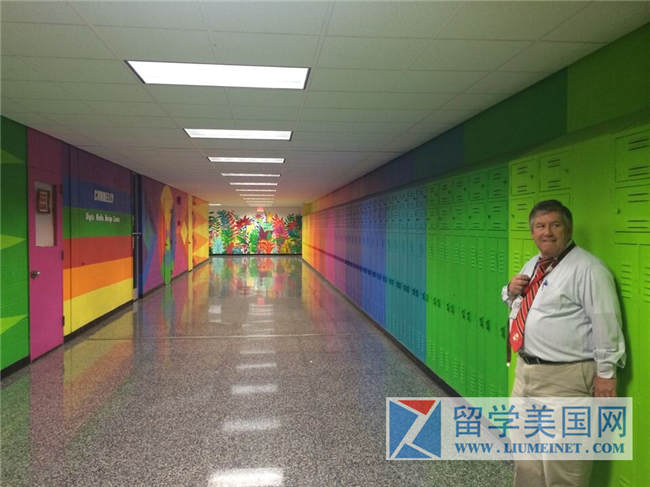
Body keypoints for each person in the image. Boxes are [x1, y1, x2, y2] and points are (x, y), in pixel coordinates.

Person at [502, 199, 626, 487]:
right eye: (540, 226)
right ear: (532, 232)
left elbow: (605, 322)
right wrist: (509, 291)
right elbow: (523, 307)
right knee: (526, 457)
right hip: (525, 373)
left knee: (565, 463)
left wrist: (606, 374)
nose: (547, 232)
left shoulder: (589, 269)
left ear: (568, 229)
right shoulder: (533, 264)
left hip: (566, 378)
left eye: (555, 225)